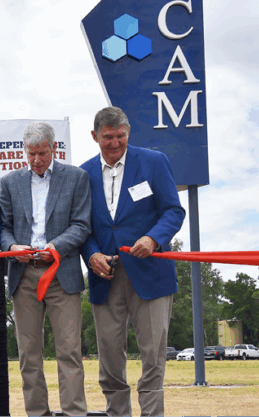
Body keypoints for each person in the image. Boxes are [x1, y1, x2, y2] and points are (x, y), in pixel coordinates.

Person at [80, 106, 185, 416]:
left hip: (151, 275)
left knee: (153, 355)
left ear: (129, 133)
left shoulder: (153, 162)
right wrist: (91, 255)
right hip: (105, 277)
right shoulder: (82, 174)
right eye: (107, 137)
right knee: (110, 358)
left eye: (121, 136)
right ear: (94, 136)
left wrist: (153, 238)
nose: (115, 143)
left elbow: (173, 211)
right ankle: (117, 412)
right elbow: (80, 226)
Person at [0, 121, 91, 416]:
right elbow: (3, 228)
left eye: (42, 152)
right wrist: (13, 248)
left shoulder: (76, 178)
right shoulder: (10, 182)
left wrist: (56, 246)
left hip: (61, 274)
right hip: (23, 275)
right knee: (29, 354)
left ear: (54, 147)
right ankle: (37, 413)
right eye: (31, 153)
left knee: (69, 352)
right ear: (24, 151)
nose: (36, 160)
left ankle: (74, 412)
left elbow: (81, 224)